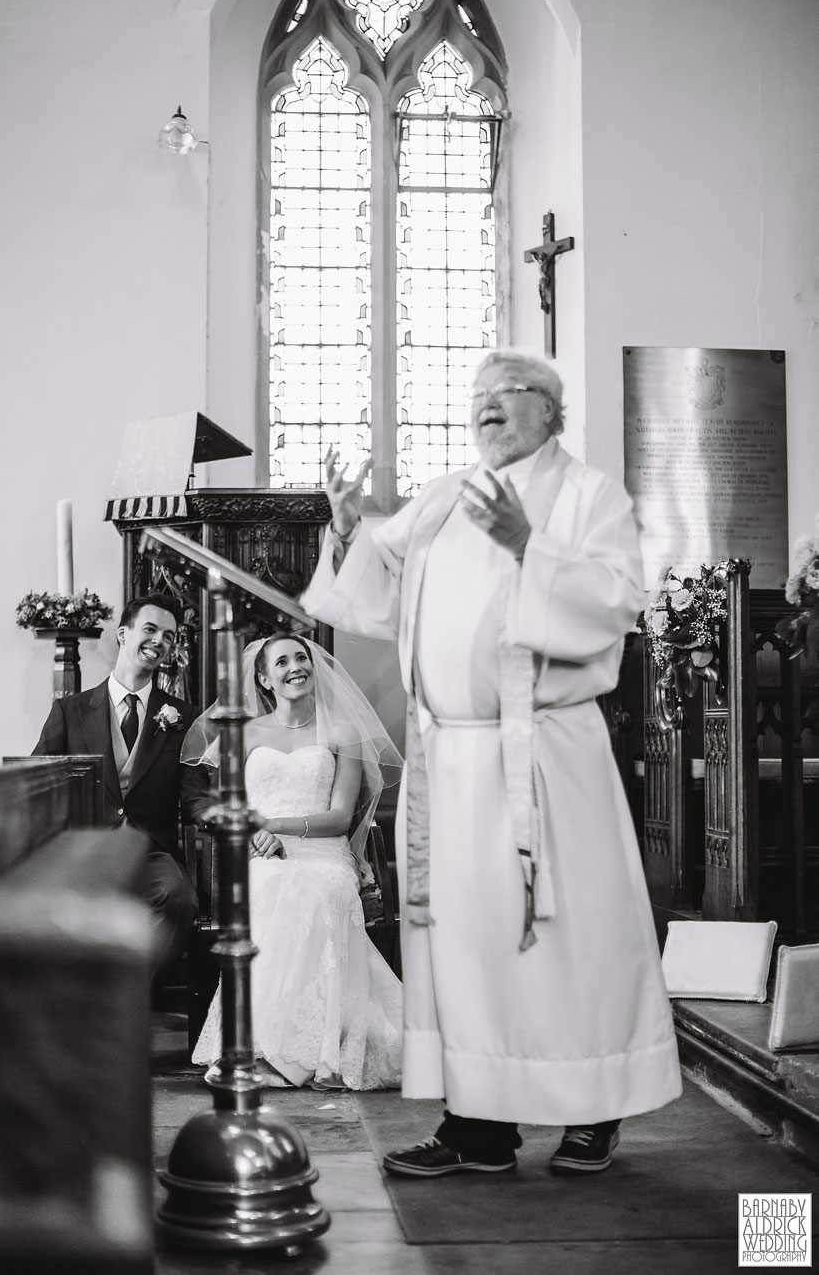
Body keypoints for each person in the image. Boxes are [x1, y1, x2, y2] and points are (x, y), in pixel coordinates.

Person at [301, 347, 682, 1176]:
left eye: (506, 393)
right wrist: (342, 526)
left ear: (551, 410)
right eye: (477, 395)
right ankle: (478, 1123)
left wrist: (529, 547)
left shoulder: (587, 495)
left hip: (544, 757)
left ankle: (592, 1110)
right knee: (464, 947)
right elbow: (377, 582)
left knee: (564, 936)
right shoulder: (443, 497)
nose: (486, 406)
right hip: (449, 762)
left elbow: (615, 601)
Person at [182, 632, 404, 1091]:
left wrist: (277, 826)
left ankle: (297, 1057)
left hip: (323, 853)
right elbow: (229, 809)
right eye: (281, 662)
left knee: (311, 890)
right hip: (258, 853)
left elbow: (341, 817)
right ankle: (260, 1044)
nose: (295, 666)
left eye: (301, 657)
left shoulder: (340, 733)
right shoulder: (243, 733)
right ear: (263, 678)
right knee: (274, 887)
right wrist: (256, 833)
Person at [32, 592, 200, 979]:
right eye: (151, 629)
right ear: (123, 634)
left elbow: (194, 794)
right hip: (85, 851)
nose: (160, 641)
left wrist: (219, 814)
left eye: (170, 636)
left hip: (150, 852)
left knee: (179, 899)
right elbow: (40, 781)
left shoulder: (183, 716)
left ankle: (124, 994)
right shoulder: (70, 710)